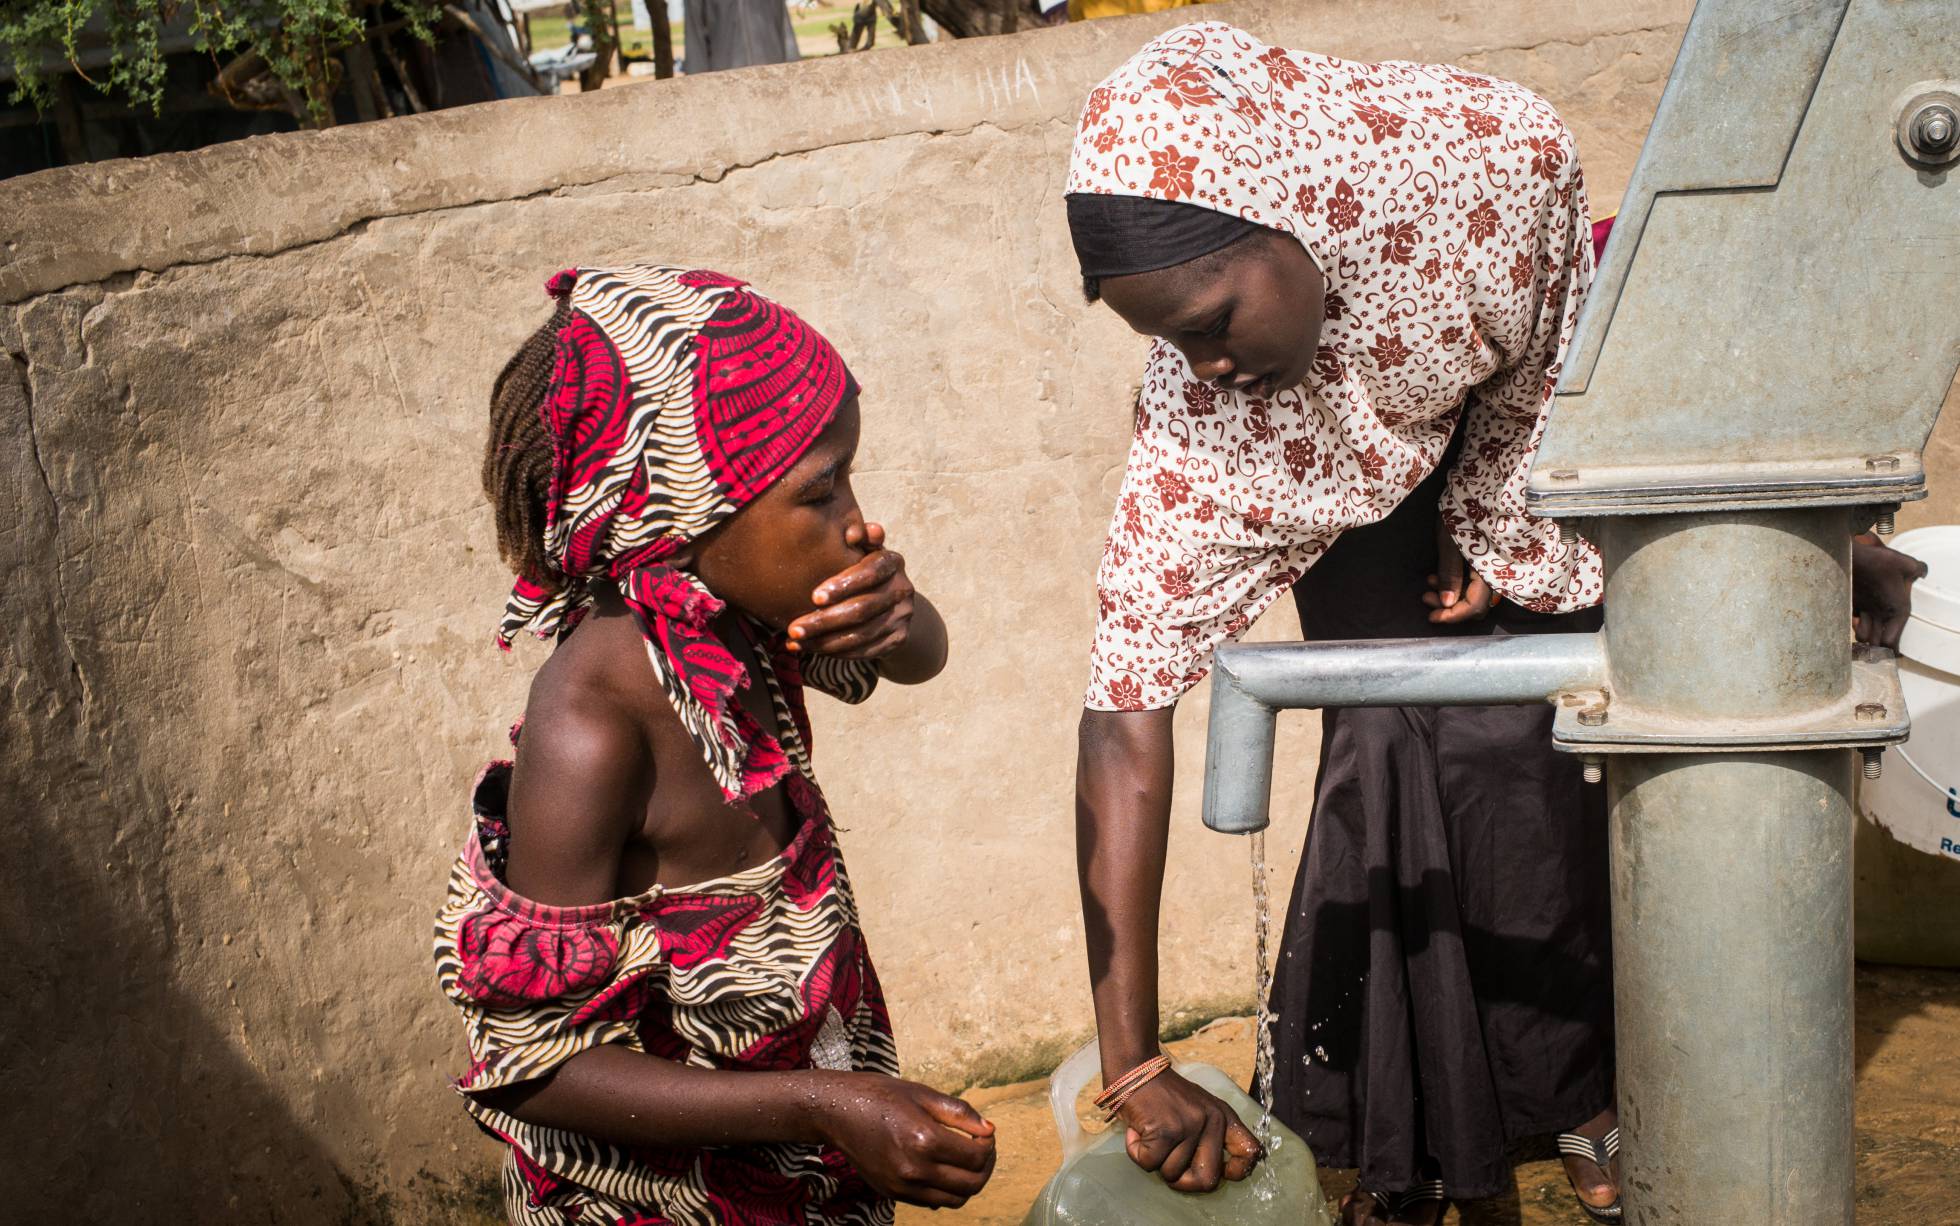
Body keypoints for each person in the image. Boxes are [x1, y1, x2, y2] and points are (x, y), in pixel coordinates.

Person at [433, 265, 995, 1224]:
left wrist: (896, 611)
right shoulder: (590, 730)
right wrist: (820, 1104)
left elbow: (918, 659)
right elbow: (532, 1066)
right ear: (681, 510)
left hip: (798, 1167)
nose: (856, 523)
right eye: (821, 492)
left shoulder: (732, 626)